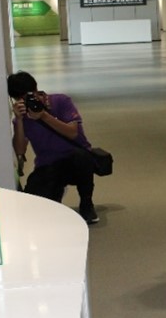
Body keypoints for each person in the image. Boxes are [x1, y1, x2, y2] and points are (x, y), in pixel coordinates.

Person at [8, 71, 100, 224]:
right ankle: (55, 193)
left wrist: (44, 115)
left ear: (36, 90)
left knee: (82, 157)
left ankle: (86, 203)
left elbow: (72, 133)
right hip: (48, 164)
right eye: (20, 99)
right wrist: (19, 120)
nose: (28, 101)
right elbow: (19, 150)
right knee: (33, 204)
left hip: (74, 159)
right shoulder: (22, 118)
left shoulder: (60, 101)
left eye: (30, 96)